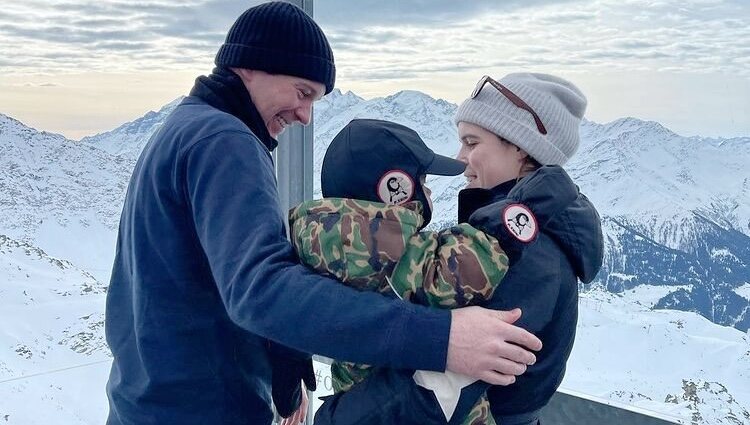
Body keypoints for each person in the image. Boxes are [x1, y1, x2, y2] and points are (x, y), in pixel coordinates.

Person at [103, 3, 543, 425]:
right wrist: (441, 339)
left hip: (149, 400)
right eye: (302, 92)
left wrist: (281, 358)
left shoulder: (187, 127)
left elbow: (216, 276)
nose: (305, 114)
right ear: (252, 66)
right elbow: (261, 288)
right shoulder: (224, 140)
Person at [312, 73, 604, 425]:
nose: (461, 158)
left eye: (472, 142)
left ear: (521, 148)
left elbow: (438, 389)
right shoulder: (499, 239)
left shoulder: (526, 253)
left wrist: (336, 417)